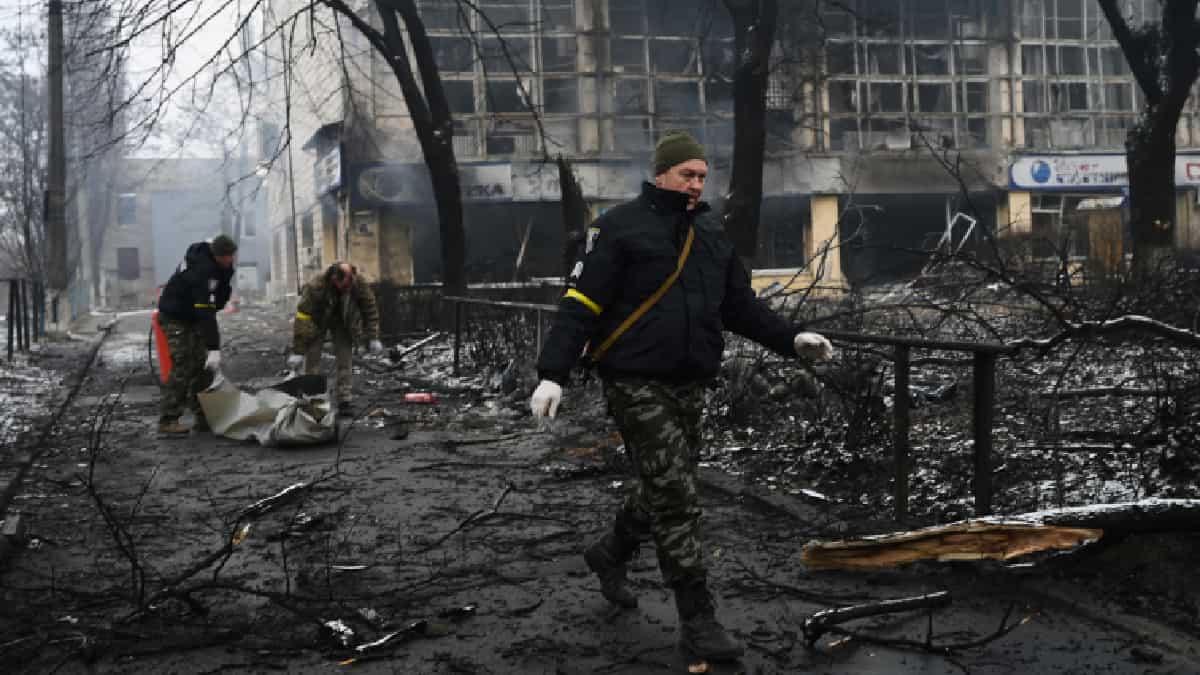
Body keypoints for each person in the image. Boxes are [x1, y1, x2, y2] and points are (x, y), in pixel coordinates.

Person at [530, 131, 834, 662]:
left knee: (664, 484)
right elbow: (580, 302)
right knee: (676, 496)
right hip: (634, 380)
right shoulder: (618, 226)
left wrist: (791, 339)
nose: (696, 184)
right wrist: (552, 371)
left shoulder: (711, 233)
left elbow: (740, 306)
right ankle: (699, 620)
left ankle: (610, 552)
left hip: (690, 381)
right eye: (686, 175)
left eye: (701, 175)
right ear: (661, 173)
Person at [157, 234, 238, 437]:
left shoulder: (220, 266)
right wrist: (214, 348)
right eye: (227, 257)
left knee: (202, 366)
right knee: (184, 363)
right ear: (217, 255)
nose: (230, 260)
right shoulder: (203, 271)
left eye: (232, 256)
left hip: (192, 316)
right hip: (174, 317)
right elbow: (206, 313)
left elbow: (216, 298)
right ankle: (168, 419)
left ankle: (203, 417)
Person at [286, 262, 382, 416]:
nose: (345, 289)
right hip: (317, 321)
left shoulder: (358, 283)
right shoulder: (315, 287)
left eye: (347, 287)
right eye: (342, 286)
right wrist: (299, 350)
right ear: (333, 278)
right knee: (312, 358)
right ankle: (312, 400)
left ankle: (344, 400)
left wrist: (373, 337)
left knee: (345, 358)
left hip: (343, 321)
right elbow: (303, 317)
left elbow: (369, 308)